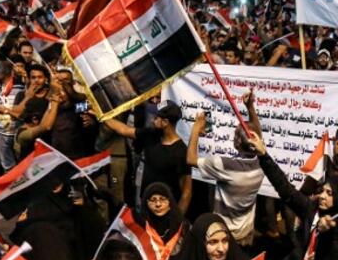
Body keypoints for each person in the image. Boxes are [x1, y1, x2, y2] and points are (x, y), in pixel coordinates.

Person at [186, 110, 264, 247]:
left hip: (225, 233)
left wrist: (196, 128)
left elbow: (191, 159)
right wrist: (250, 107)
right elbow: (258, 135)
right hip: (246, 232)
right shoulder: (262, 162)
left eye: (235, 135)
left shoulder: (226, 166)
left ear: (238, 143)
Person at [104, 102, 191, 208]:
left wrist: (176, 220)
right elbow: (124, 130)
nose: (152, 120)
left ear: (165, 122)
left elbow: (186, 192)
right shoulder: (151, 135)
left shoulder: (181, 151)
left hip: (165, 209)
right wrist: (101, 117)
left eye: (156, 118)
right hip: (146, 204)